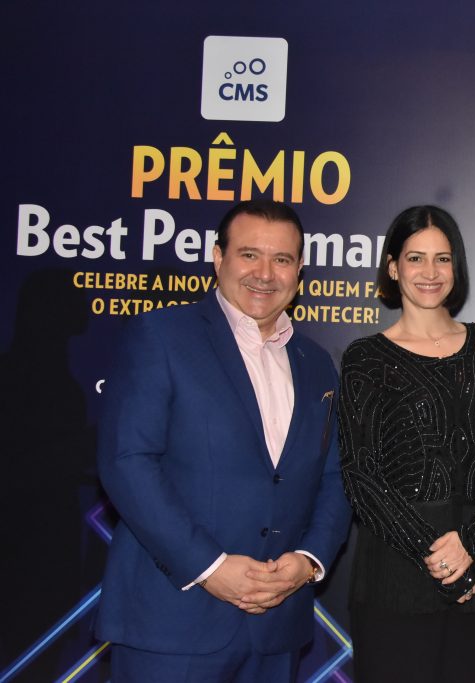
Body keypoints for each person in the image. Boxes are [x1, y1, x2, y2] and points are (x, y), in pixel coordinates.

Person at [96, 200, 351, 682]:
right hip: (173, 622)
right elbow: (127, 462)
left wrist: (309, 560)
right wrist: (210, 567)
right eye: (249, 254)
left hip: (276, 629)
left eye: (282, 259)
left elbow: (335, 477)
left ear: (299, 271)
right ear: (218, 257)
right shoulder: (162, 336)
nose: (264, 273)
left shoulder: (316, 362)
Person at [337, 205, 475, 682]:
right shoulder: (365, 357)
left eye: (443, 259)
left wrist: (473, 546)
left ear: (456, 268)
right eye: (416, 258)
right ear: (393, 267)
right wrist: (435, 553)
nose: (430, 272)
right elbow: (360, 475)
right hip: (396, 579)